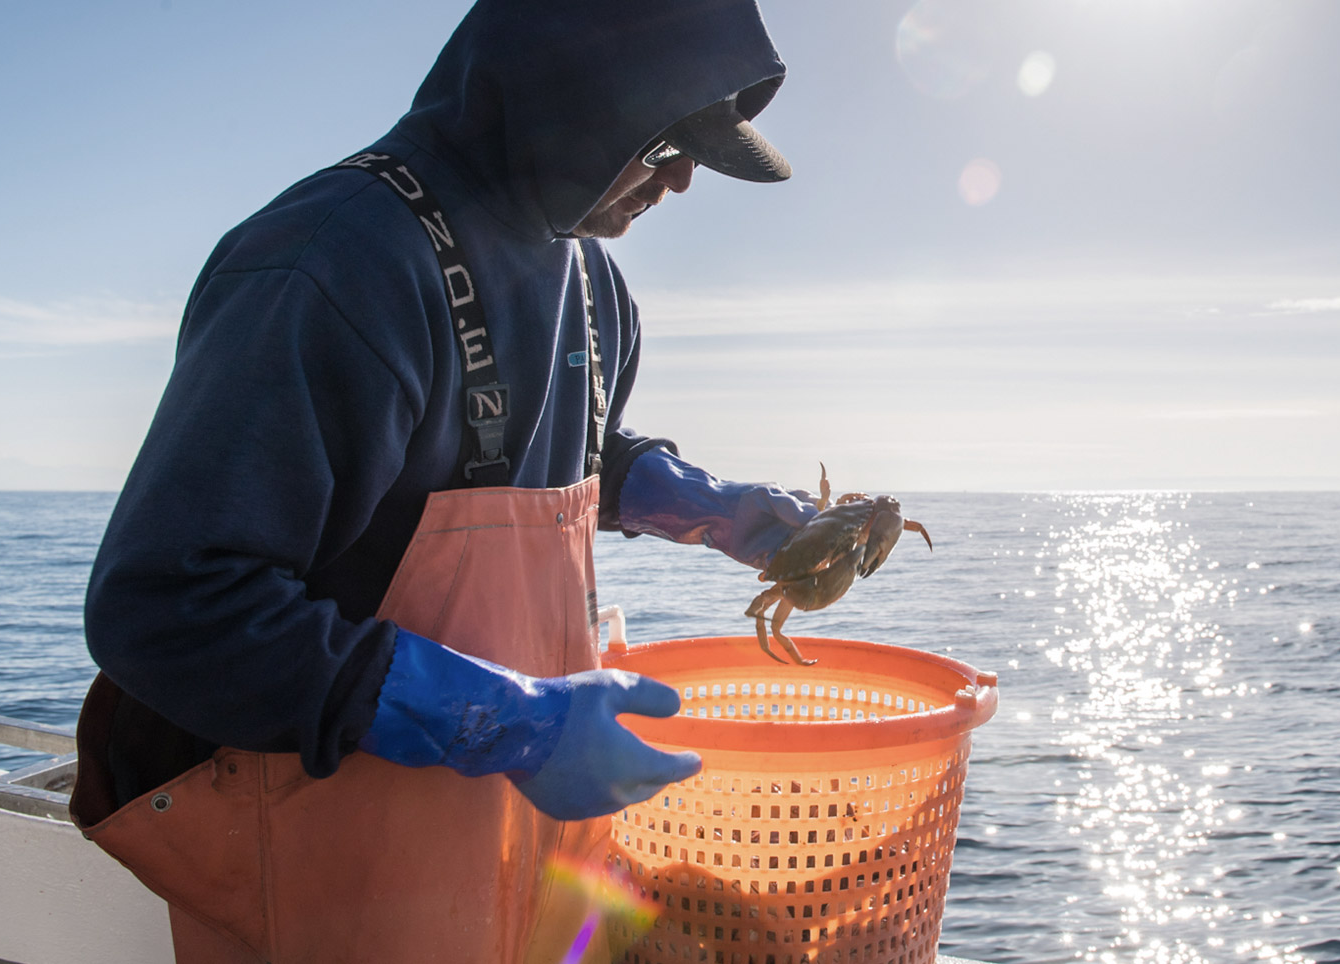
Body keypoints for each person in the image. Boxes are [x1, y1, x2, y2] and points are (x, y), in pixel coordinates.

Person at [67, 1, 823, 961]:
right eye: (667, 139)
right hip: (328, 865)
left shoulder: (595, 282)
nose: (679, 180)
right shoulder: (332, 265)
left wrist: (701, 505)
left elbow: (552, 444)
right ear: (562, 96)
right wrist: (509, 725)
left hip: (510, 863)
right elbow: (165, 605)